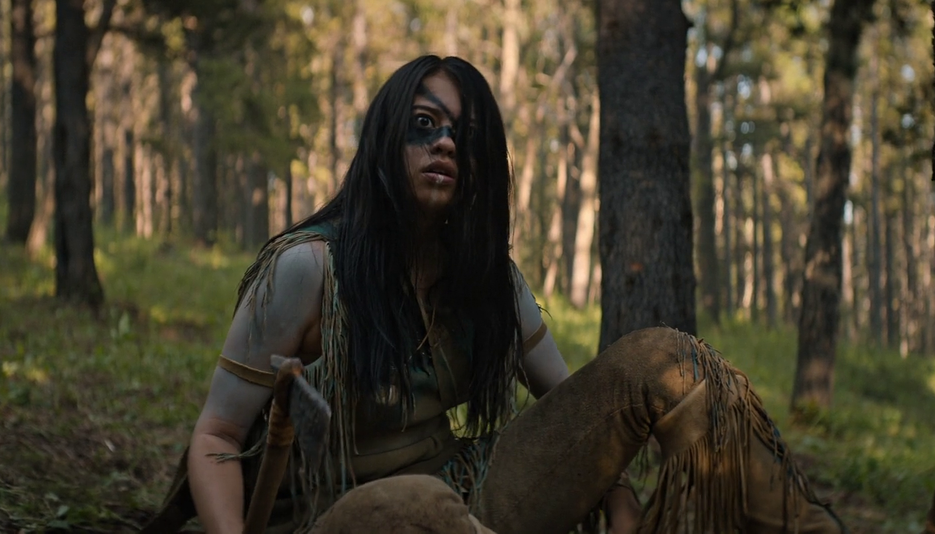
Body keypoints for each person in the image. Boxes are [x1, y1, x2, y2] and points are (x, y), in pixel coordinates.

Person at [145, 55, 844, 534]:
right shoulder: (309, 269)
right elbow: (216, 437)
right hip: (336, 515)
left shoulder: (490, 283)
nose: (447, 143)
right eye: (425, 124)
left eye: (466, 135)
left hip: (466, 492)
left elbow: (586, 414)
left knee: (664, 361)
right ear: (385, 140)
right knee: (417, 504)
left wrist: (621, 501)